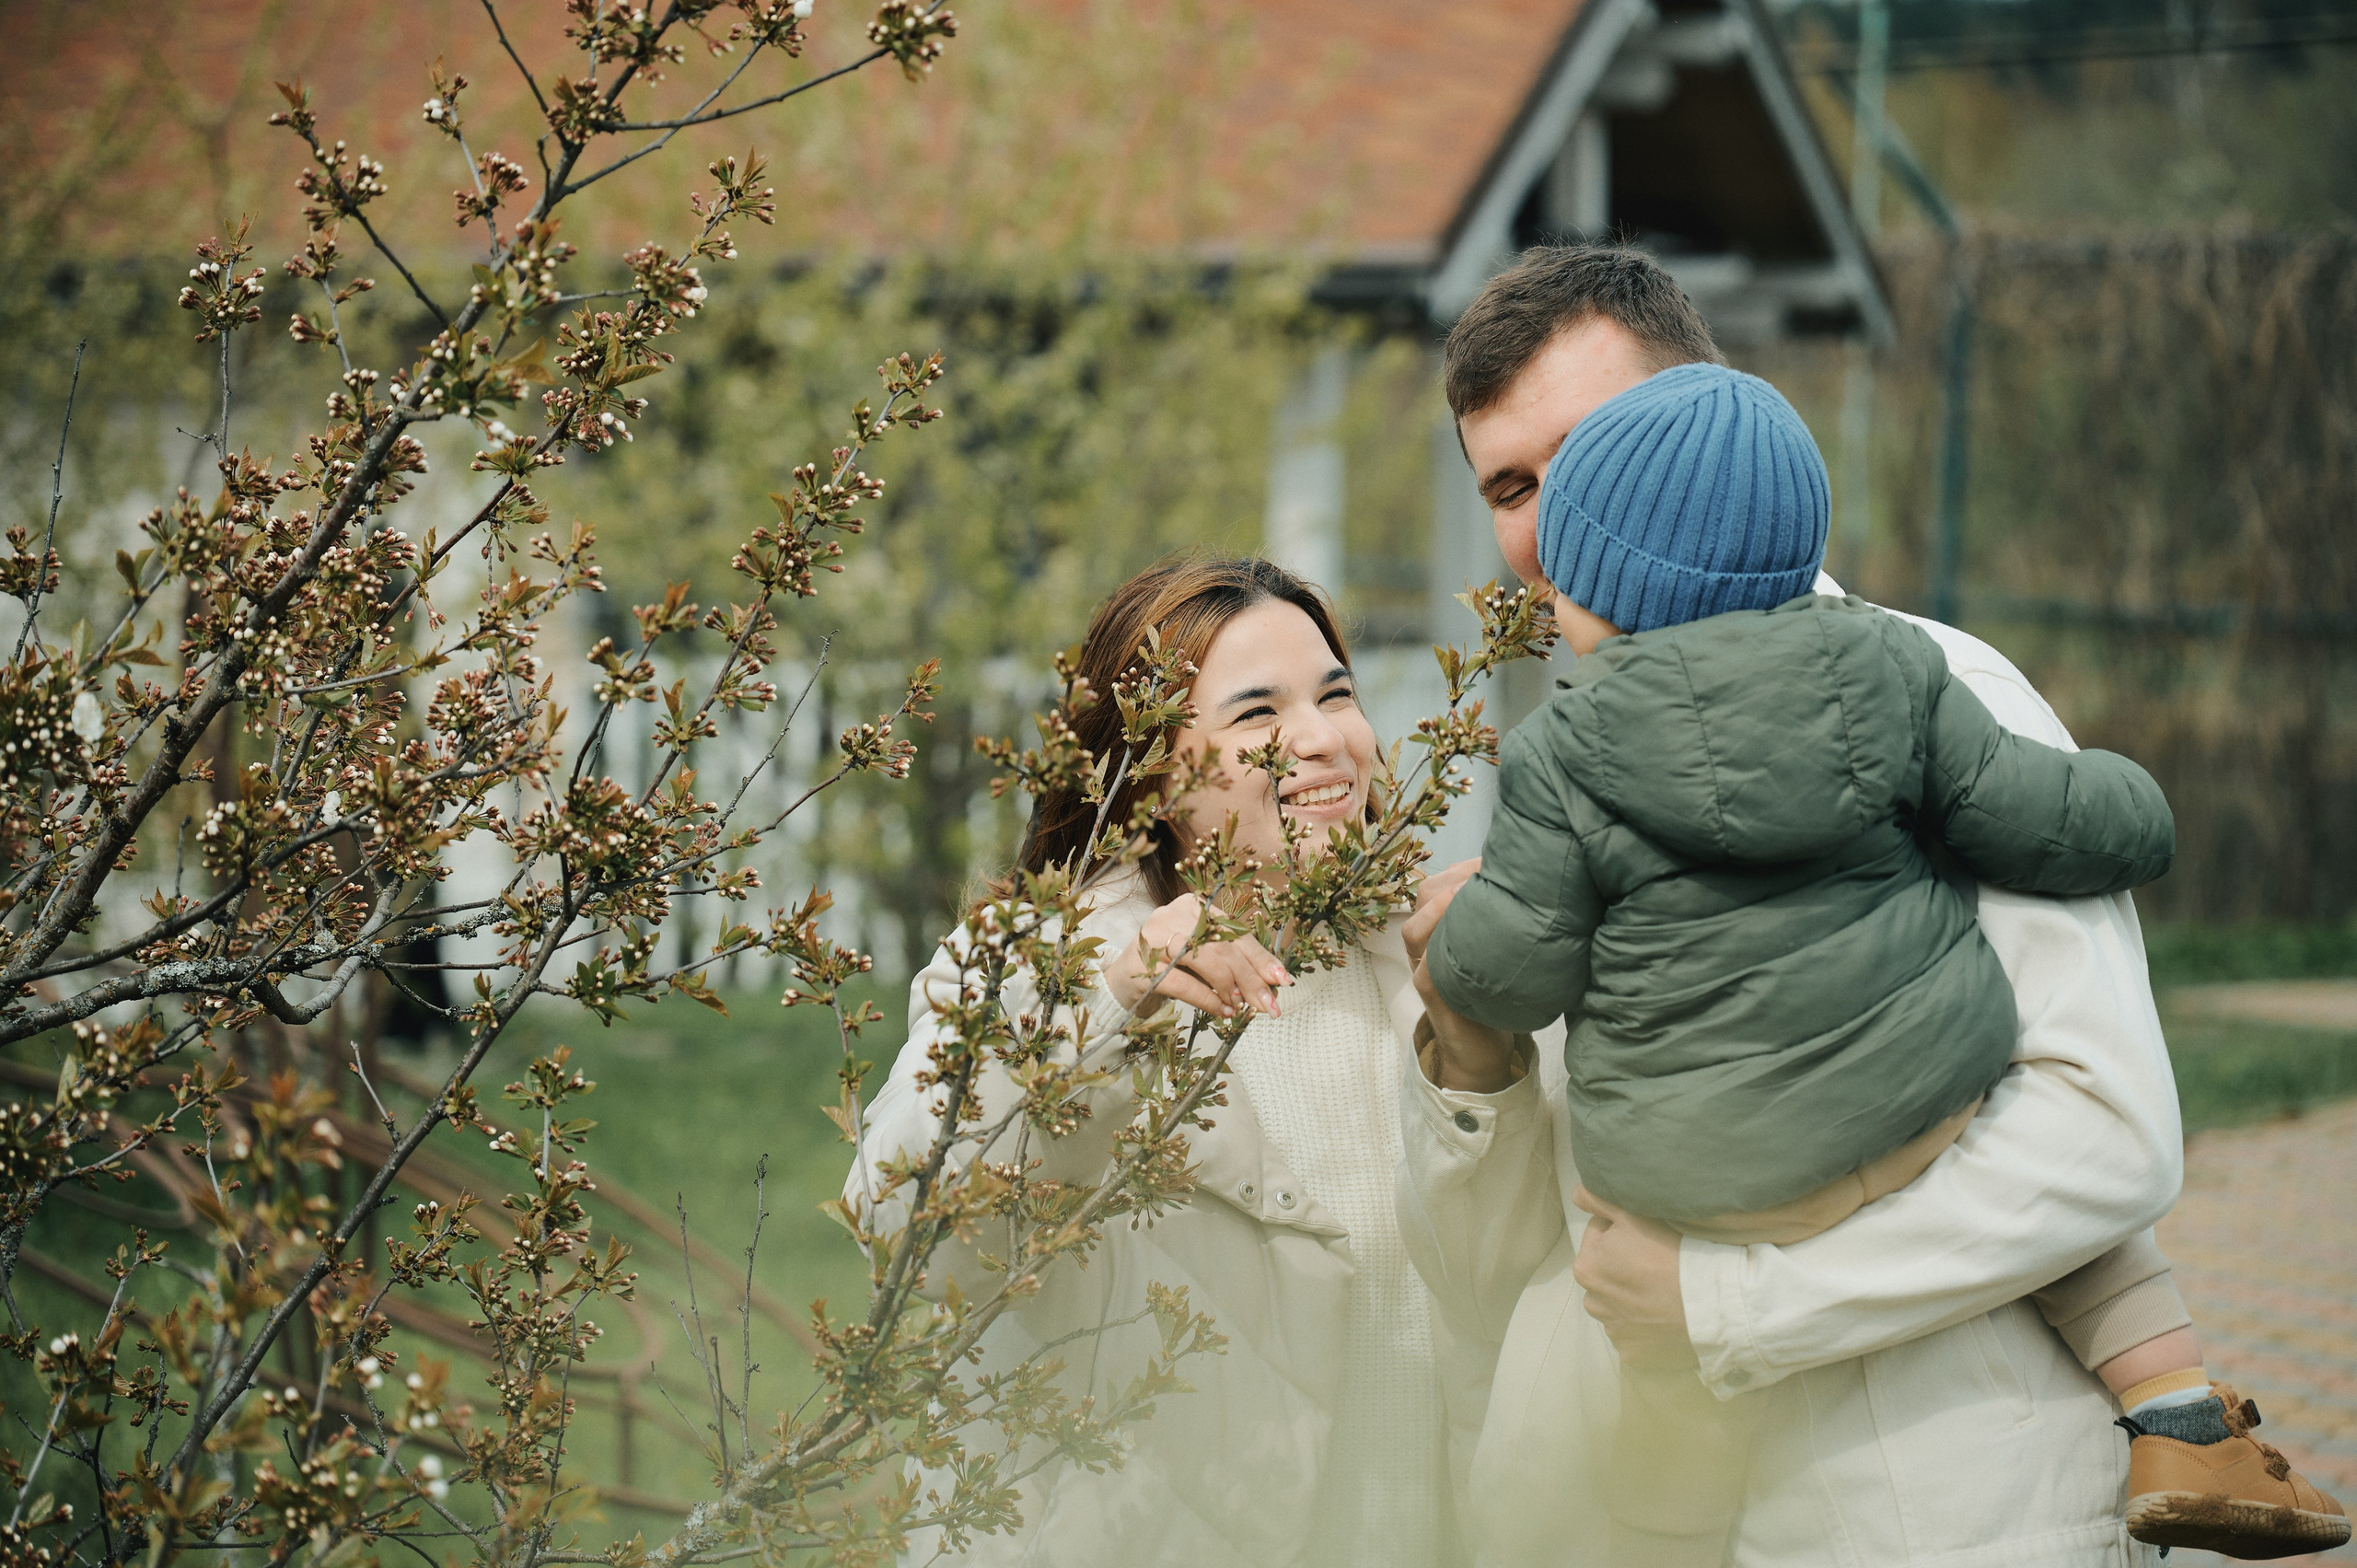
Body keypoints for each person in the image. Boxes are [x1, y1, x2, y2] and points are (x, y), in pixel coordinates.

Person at [1391, 244, 2338, 1567]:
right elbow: (1526, 1256)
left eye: (1597, 450)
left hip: (1932, 1512)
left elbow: (2109, 1136)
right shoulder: (1565, 759)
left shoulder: (1937, 691)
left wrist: (1726, 1302)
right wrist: (1470, 1052)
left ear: (1718, 424)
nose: (1558, 520)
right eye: (1511, 483)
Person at [846, 555, 1455, 1567]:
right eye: (1257, 714)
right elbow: (908, 1223)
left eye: (1336, 692)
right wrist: (1109, 1000)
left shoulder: (1425, 963)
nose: (1320, 737)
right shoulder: (1044, 968)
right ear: (1157, 776)